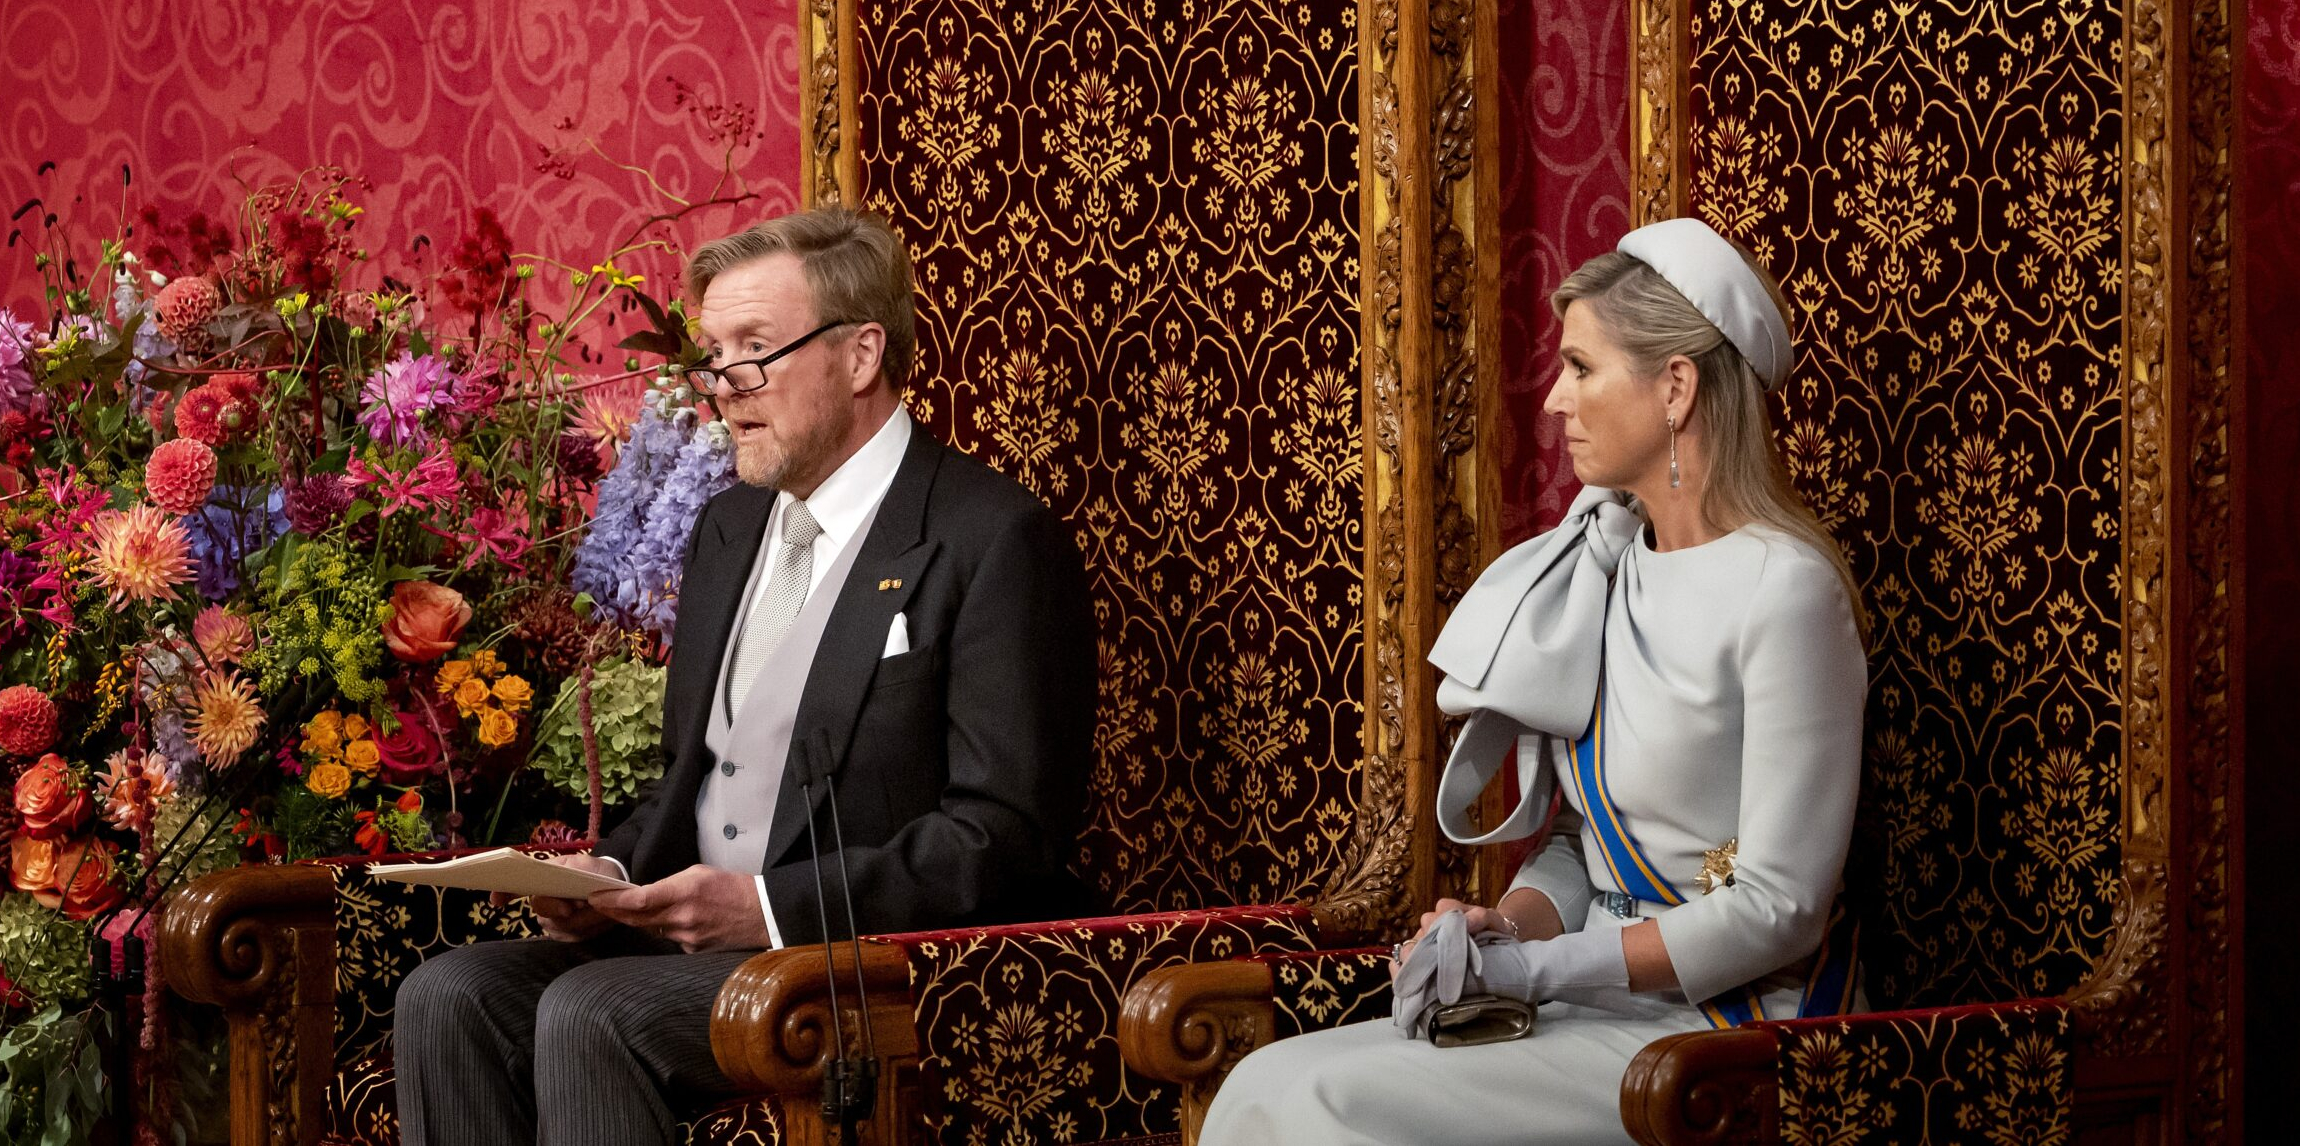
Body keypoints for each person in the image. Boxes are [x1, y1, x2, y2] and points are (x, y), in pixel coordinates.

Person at [394, 206, 1096, 1145]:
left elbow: (1005, 834)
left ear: (860, 356)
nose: (724, 388)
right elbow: (696, 782)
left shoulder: (993, 538)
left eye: (755, 351)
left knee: (594, 1013)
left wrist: (767, 910)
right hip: (695, 952)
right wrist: (606, 875)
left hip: (865, 961)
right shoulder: (727, 530)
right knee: (448, 996)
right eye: (715, 355)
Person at [1201, 219, 1871, 1144]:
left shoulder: (1787, 591)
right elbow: (1579, 844)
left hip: (1725, 1031)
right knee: (1265, 1080)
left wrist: (1541, 972)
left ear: (1676, 387)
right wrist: (1504, 930)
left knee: (1325, 1107)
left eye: (1582, 368)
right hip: (1597, 1002)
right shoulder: (1610, 567)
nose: (1555, 400)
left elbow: (1778, 912)